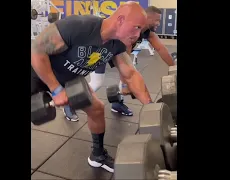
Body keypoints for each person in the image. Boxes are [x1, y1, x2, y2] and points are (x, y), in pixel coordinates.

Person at [31, 2, 153, 173]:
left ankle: (98, 156)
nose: (137, 35)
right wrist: (56, 89)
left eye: (141, 30)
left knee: (96, 109)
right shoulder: (79, 26)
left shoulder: (118, 44)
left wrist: (152, 109)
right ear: (120, 20)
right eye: (136, 28)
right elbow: (37, 51)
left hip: (70, 79)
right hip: (38, 72)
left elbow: (130, 75)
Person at [63, 6, 175, 121]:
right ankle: (69, 103)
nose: (159, 23)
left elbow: (161, 49)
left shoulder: (148, 33)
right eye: (157, 20)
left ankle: (117, 103)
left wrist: (174, 67)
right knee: (98, 82)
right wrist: (126, 85)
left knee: (131, 77)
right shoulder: (128, 31)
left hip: (118, 53)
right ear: (148, 18)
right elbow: (125, 62)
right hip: (102, 50)